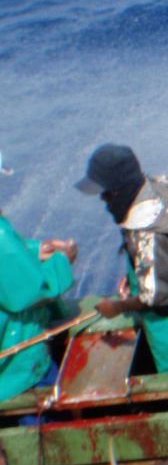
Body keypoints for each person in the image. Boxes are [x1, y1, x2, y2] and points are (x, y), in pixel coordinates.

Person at [77, 144, 168, 374]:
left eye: (106, 194)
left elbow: (157, 296)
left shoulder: (146, 232)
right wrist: (139, 272)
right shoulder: (161, 189)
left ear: (120, 191)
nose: (103, 200)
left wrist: (117, 307)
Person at [1, 151, 78, 402]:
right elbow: (32, 290)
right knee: (46, 415)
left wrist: (35, 250)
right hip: (15, 374)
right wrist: (62, 261)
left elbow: (9, 257)